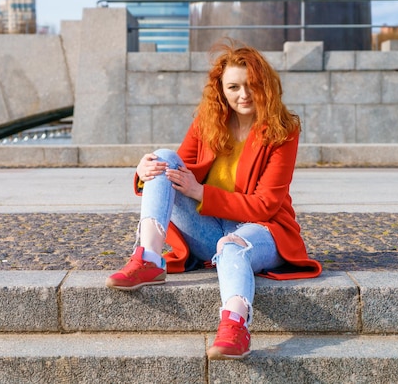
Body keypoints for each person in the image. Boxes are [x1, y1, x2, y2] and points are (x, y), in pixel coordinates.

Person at [106, 39, 322, 360]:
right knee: (164, 158)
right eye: (233, 87)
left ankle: (235, 326)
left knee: (232, 245)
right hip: (209, 231)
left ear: (266, 86)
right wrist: (144, 170)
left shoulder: (282, 130)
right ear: (221, 89)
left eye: (252, 85)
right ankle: (149, 259)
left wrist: (200, 192)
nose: (243, 95)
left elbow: (266, 205)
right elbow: (174, 173)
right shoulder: (208, 122)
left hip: (263, 231)